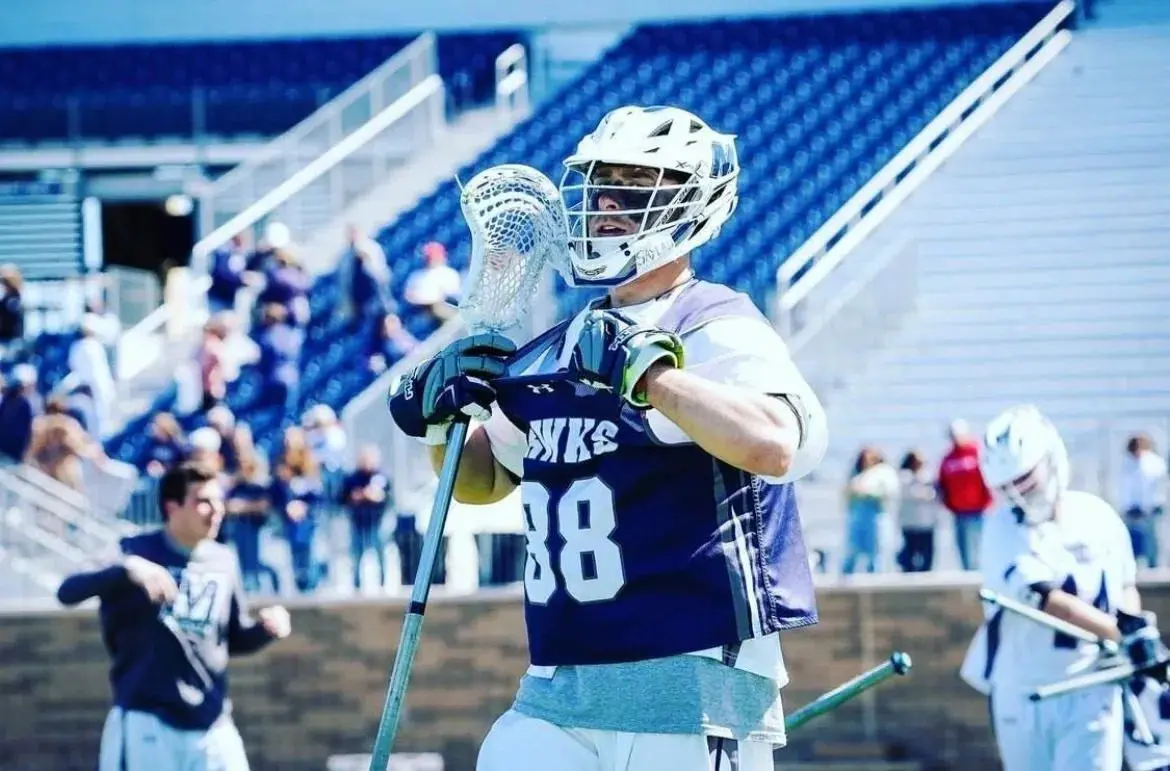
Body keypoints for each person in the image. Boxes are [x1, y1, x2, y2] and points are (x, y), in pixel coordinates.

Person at [388, 105, 828, 771]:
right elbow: (483, 480)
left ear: (690, 202)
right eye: (600, 183)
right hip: (562, 676)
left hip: (689, 672)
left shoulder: (716, 324)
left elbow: (775, 444)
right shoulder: (567, 340)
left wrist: (653, 376)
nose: (608, 201)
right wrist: (440, 420)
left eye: (634, 183)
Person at [56, 461, 291, 771]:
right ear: (172, 507)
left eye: (218, 500)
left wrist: (266, 628)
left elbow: (231, 638)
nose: (216, 509)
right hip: (148, 720)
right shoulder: (131, 551)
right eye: (203, 501)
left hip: (212, 723)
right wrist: (128, 569)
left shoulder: (224, 560)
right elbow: (68, 591)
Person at [959, 405, 1138, 771]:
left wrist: (1134, 625)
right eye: (1006, 485)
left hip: (1092, 684)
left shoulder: (1099, 515)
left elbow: (1125, 587)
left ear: (1051, 457)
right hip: (1026, 692)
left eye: (1024, 478)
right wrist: (1124, 634)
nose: (1017, 492)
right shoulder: (1002, 529)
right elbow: (1048, 602)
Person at [937, 418, 992, 571]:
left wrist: (987, 502)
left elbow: (988, 480)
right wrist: (949, 505)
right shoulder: (948, 458)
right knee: (964, 549)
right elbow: (942, 483)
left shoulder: (978, 454)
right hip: (959, 511)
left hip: (979, 510)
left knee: (979, 547)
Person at [840, 446, 899, 575]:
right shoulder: (856, 474)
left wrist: (867, 492)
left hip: (876, 515)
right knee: (852, 551)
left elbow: (889, 492)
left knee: (877, 552)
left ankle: (877, 580)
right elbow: (847, 493)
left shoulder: (884, 472)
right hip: (858, 516)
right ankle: (844, 582)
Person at [896, 450, 938, 573]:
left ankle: (926, 574)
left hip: (926, 522)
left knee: (927, 552)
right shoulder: (904, 477)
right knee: (910, 551)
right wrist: (927, 493)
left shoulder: (927, 476)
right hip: (910, 522)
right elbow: (913, 494)